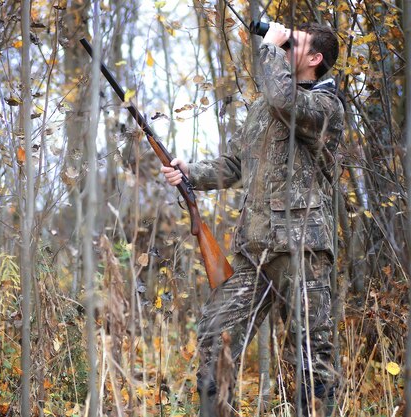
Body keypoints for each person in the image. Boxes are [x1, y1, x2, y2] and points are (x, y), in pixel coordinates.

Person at [161, 22, 344, 416]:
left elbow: (286, 101)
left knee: (313, 356)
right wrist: (189, 172)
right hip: (253, 249)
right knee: (216, 337)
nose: (282, 46)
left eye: (294, 44)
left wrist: (271, 49)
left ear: (315, 60)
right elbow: (234, 164)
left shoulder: (325, 107)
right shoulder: (264, 106)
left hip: (302, 248)